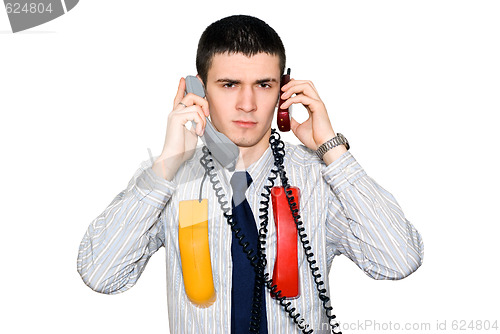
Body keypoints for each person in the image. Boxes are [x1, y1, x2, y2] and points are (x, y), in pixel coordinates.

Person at [77, 15, 424, 334]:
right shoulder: (167, 179)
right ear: (198, 91)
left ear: (284, 90)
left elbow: (398, 260)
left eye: (263, 84)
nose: (248, 103)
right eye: (229, 84)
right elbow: (101, 274)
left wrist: (331, 150)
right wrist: (168, 161)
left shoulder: (319, 176)